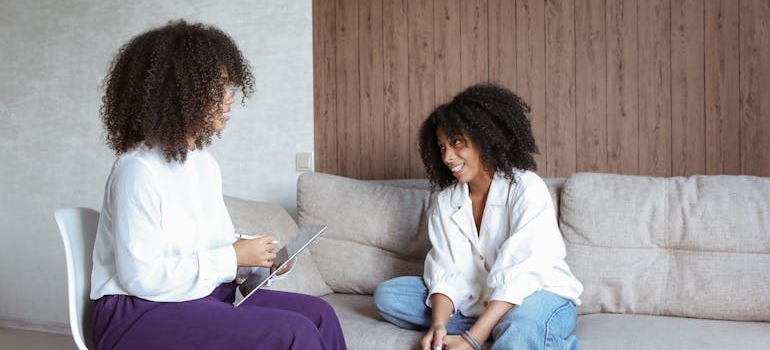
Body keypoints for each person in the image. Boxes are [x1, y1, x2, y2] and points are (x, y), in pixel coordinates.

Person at [91, 20, 346, 350]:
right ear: (180, 92)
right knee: (293, 333)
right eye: (219, 86)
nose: (229, 99)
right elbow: (141, 277)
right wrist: (231, 256)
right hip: (135, 311)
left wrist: (257, 255)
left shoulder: (203, 164)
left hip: (194, 294)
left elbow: (211, 243)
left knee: (320, 314)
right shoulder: (137, 171)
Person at [373, 83, 583, 350]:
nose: (448, 157)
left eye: (456, 142)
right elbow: (446, 270)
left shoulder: (526, 188)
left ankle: (516, 330)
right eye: (441, 147)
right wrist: (438, 325)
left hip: (538, 294)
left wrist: (472, 340)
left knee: (520, 332)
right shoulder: (446, 202)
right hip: (477, 300)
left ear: (484, 137)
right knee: (389, 296)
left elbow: (522, 275)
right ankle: (504, 328)